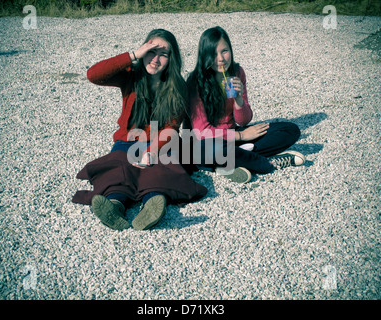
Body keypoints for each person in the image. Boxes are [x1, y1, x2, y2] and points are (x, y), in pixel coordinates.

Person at [72, 29, 207, 231]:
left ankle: (152, 204)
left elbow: (171, 126)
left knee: (160, 167)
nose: (156, 59)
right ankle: (115, 205)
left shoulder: (177, 85)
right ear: (144, 50)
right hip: (128, 140)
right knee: (119, 168)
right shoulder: (131, 76)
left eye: (164, 54)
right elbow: (93, 75)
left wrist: (152, 150)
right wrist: (133, 55)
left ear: (172, 59)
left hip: (162, 142)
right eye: (152, 51)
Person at [185, 26, 305, 183]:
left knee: (290, 130)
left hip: (233, 136)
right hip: (205, 143)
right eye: (213, 54)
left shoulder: (237, 72)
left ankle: (232, 160)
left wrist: (239, 100)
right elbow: (202, 132)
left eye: (224, 51)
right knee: (210, 149)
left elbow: (243, 121)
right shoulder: (195, 82)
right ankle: (268, 163)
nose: (221, 58)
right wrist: (242, 135)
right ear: (205, 56)